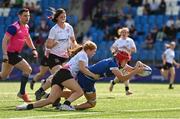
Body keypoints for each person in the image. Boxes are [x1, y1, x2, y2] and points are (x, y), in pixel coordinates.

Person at [16, 40, 100, 111]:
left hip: (59, 74)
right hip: (65, 74)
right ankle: (66, 104)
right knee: (79, 91)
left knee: (50, 100)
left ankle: (26, 106)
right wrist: (94, 76)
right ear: (89, 49)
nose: (94, 53)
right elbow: (82, 69)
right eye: (94, 51)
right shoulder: (84, 55)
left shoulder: (81, 54)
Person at [73, 50, 144, 110]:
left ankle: (71, 106)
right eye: (126, 60)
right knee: (90, 102)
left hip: (88, 78)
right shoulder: (113, 64)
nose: (127, 62)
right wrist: (135, 71)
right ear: (121, 59)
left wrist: (138, 64)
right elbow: (122, 78)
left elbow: (131, 69)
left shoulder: (116, 62)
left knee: (77, 94)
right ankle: (71, 107)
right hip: (87, 79)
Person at [33, 8, 78, 100]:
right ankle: (42, 91)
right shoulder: (54, 29)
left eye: (64, 16)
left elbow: (73, 41)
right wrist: (55, 43)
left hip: (65, 57)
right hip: (54, 57)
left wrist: (76, 48)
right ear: (57, 18)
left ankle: (48, 95)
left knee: (60, 80)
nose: (63, 18)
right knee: (59, 75)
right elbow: (48, 45)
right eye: (61, 16)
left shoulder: (69, 27)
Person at [0, 8, 38, 102]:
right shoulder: (14, 27)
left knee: (3, 76)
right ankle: (22, 93)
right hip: (10, 54)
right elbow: (5, 40)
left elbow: (28, 38)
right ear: (19, 16)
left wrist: (33, 49)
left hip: (14, 54)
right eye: (25, 16)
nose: (27, 17)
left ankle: (21, 93)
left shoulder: (26, 27)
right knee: (28, 69)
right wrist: (5, 54)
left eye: (28, 15)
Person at [110, 27, 137, 95]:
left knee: (123, 74)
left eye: (125, 32)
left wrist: (127, 48)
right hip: (118, 60)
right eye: (123, 32)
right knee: (124, 74)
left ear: (128, 33)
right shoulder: (118, 41)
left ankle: (113, 83)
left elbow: (134, 50)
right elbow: (112, 48)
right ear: (120, 33)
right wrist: (114, 52)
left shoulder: (130, 40)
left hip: (126, 59)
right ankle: (127, 90)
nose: (124, 33)